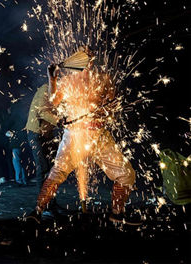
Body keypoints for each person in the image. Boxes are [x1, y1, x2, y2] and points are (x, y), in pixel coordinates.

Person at [27, 59, 140, 225]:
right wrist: (51, 79)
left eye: (90, 55)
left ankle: (117, 213)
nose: (87, 59)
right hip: (75, 134)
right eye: (83, 54)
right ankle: (37, 211)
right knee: (57, 172)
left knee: (126, 174)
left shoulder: (103, 78)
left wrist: (108, 110)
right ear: (76, 58)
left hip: (100, 135)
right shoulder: (67, 80)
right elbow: (53, 101)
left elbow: (113, 104)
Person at [24, 82, 63, 215]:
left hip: (47, 134)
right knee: (43, 168)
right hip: (36, 134)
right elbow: (42, 111)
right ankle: (43, 205)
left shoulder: (59, 92)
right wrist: (59, 121)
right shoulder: (45, 89)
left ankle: (51, 203)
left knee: (53, 169)